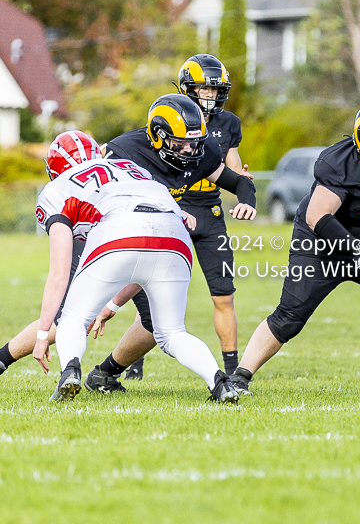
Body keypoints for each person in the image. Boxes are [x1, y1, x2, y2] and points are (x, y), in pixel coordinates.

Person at [229, 100, 360, 395]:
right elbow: (317, 215)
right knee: (290, 317)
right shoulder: (338, 163)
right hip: (320, 243)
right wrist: (355, 250)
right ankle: (239, 377)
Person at [31, 130, 239, 403]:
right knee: (173, 332)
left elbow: (59, 275)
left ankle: (70, 370)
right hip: (174, 236)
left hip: (120, 231)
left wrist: (43, 334)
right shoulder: (130, 167)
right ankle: (219, 382)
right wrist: (114, 304)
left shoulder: (59, 187)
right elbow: (167, 217)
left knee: (73, 317)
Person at [81, 93, 256, 393]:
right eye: (180, 143)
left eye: (194, 143)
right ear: (158, 137)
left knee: (155, 323)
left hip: (158, 238)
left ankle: (104, 375)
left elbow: (237, 180)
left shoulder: (199, 151)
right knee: (70, 314)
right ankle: (19, 358)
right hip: (116, 236)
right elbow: (94, 196)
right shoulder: (125, 151)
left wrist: (248, 201)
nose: (189, 150)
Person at [124, 54, 247, 379]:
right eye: (204, 89)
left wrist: (243, 185)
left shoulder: (228, 123)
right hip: (169, 211)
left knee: (224, 293)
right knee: (148, 286)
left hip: (208, 211)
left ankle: (233, 370)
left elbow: (232, 169)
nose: (210, 96)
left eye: (216, 90)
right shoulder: (168, 118)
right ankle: (133, 358)